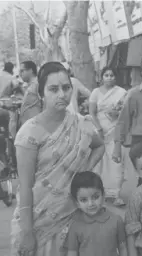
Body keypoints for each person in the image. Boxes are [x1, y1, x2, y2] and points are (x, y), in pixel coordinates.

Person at [11, 62, 105, 256]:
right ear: (41, 93)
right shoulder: (29, 133)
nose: (62, 94)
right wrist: (28, 232)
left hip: (72, 214)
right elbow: (26, 186)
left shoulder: (79, 123)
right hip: (38, 220)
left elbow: (99, 145)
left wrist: (80, 173)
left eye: (66, 87)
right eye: (53, 89)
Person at [62, 171, 128, 256]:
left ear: (103, 195)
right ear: (77, 203)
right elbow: (72, 252)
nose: (91, 204)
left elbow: (122, 247)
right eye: (84, 200)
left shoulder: (116, 220)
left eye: (95, 197)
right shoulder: (75, 225)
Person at [89, 66, 127, 206]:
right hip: (99, 131)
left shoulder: (121, 92)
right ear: (101, 77)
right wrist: (98, 128)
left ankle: (115, 194)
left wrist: (118, 113)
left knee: (116, 162)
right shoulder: (95, 92)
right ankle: (99, 192)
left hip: (116, 130)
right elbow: (92, 112)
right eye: (106, 75)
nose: (109, 77)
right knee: (100, 163)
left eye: (112, 75)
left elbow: (126, 111)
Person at [19, 60, 42, 126]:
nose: (20, 74)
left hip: (36, 126)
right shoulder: (30, 86)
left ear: (31, 70)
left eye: (22, 71)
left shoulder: (37, 84)